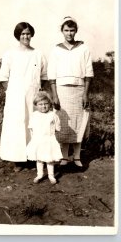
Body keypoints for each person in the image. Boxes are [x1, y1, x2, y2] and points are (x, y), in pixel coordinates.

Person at [0, 22, 48, 172]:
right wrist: (12, 93)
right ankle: (17, 160)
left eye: (28, 33)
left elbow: (44, 76)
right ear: (18, 36)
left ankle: (32, 158)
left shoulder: (38, 54)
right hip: (15, 97)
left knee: (33, 124)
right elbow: (3, 78)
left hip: (33, 96)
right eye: (23, 34)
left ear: (32, 35)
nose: (26, 36)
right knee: (17, 125)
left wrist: (38, 91)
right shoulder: (10, 54)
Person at [47, 16, 94, 167]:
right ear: (62, 31)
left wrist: (85, 94)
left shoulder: (84, 48)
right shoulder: (55, 50)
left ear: (76, 31)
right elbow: (52, 74)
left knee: (79, 123)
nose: (69, 33)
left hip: (79, 90)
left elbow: (88, 72)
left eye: (72, 30)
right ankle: (65, 157)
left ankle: (77, 157)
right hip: (61, 91)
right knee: (63, 124)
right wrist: (54, 95)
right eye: (66, 30)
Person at [26, 91, 63, 184]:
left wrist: (52, 135)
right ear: (36, 105)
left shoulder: (53, 115)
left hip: (49, 139)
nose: (43, 106)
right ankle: (40, 174)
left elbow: (58, 127)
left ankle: (51, 175)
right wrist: (34, 140)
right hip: (38, 139)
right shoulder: (34, 115)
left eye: (46, 104)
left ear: (50, 104)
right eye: (40, 104)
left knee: (49, 159)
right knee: (39, 158)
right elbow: (31, 128)